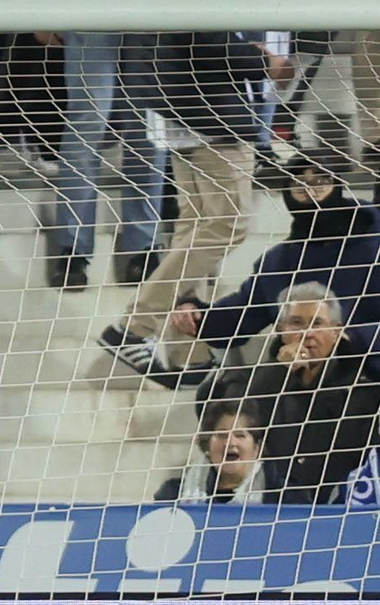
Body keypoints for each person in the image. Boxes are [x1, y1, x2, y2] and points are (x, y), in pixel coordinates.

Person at [99, 32, 292, 373]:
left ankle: (188, 353)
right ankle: (134, 327)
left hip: (180, 110)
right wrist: (264, 61)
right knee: (228, 225)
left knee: (196, 227)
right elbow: (208, 40)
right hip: (210, 113)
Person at [165, 152, 380, 383]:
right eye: (299, 184)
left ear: (337, 185)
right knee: (217, 394)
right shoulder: (280, 262)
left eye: (320, 181)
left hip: (370, 370)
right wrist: (195, 314)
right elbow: (241, 316)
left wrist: (350, 340)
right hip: (304, 374)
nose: (311, 191)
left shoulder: (374, 240)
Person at [196, 282, 380, 503]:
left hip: (341, 511)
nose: (307, 333)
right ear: (280, 329)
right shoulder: (249, 381)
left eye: (317, 323)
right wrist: (279, 371)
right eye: (296, 323)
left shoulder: (365, 389)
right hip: (269, 512)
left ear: (337, 331)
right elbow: (236, 421)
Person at [42, 32, 166, 290]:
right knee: (87, 120)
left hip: (153, 15)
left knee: (149, 124)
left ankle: (144, 247)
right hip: (90, 14)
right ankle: (73, 250)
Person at [153, 402, 271, 503]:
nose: (230, 442)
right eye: (222, 435)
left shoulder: (278, 494)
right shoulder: (172, 494)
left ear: (256, 447)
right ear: (207, 445)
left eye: (240, 435)